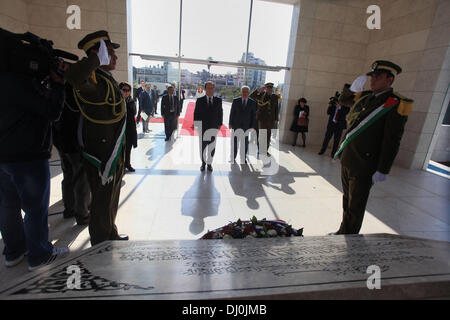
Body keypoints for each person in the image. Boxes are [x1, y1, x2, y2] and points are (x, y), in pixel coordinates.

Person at [0, 58, 69, 271]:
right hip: (28, 156)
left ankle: (13, 251)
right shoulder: (26, 85)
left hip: (3, 155)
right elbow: (52, 111)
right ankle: (39, 254)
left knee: (7, 206)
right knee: (35, 208)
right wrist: (58, 85)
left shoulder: (4, 81)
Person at [331, 60, 412, 235]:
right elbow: (344, 100)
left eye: (377, 76)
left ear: (389, 80)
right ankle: (344, 231)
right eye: (372, 76)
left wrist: (383, 169)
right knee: (347, 200)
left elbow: (392, 140)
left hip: (365, 163)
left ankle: (349, 236)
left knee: (356, 204)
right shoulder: (366, 97)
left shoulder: (395, 103)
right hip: (348, 158)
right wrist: (351, 89)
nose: (372, 80)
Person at [64, 30, 129, 245]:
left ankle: (110, 233)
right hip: (101, 155)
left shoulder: (104, 78)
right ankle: (100, 247)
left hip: (112, 150)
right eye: (110, 52)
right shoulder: (90, 78)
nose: (115, 57)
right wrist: (95, 57)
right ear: (98, 54)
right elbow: (75, 76)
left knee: (110, 199)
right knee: (101, 202)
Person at [53, 83, 91, 226]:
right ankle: (82, 214)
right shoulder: (76, 102)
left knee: (68, 176)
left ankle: (69, 209)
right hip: (75, 146)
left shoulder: (58, 96)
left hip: (63, 144)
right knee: (81, 180)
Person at [194, 81, 223, 172]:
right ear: (205, 89)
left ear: (214, 89)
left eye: (212, 88)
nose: (210, 90)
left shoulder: (218, 100)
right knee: (202, 147)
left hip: (213, 127)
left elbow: (220, 113)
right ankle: (203, 163)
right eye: (208, 88)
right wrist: (197, 126)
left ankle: (209, 163)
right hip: (203, 128)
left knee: (212, 147)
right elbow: (196, 114)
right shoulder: (199, 100)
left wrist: (219, 125)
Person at [229, 86, 256, 164]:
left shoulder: (252, 102)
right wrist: (230, 123)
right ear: (241, 92)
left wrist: (252, 126)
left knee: (244, 143)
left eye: (246, 92)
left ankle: (243, 158)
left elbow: (253, 116)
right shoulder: (235, 101)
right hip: (236, 125)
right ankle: (233, 158)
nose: (245, 93)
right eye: (243, 91)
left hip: (246, 126)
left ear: (249, 93)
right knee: (234, 142)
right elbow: (232, 113)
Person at [250, 82, 279, 156]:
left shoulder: (275, 97)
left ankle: (266, 150)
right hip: (262, 118)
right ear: (266, 88)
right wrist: (258, 90)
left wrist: (276, 118)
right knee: (262, 134)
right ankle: (260, 150)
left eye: (271, 88)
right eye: (268, 88)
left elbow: (276, 108)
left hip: (271, 119)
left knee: (268, 135)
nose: (270, 90)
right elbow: (251, 96)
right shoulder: (261, 95)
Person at [120, 82, 138, 172]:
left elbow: (134, 112)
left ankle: (127, 164)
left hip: (129, 129)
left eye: (128, 90)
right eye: (124, 90)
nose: (126, 92)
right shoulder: (117, 101)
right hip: (119, 130)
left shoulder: (131, 101)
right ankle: (121, 166)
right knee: (120, 150)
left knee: (128, 148)